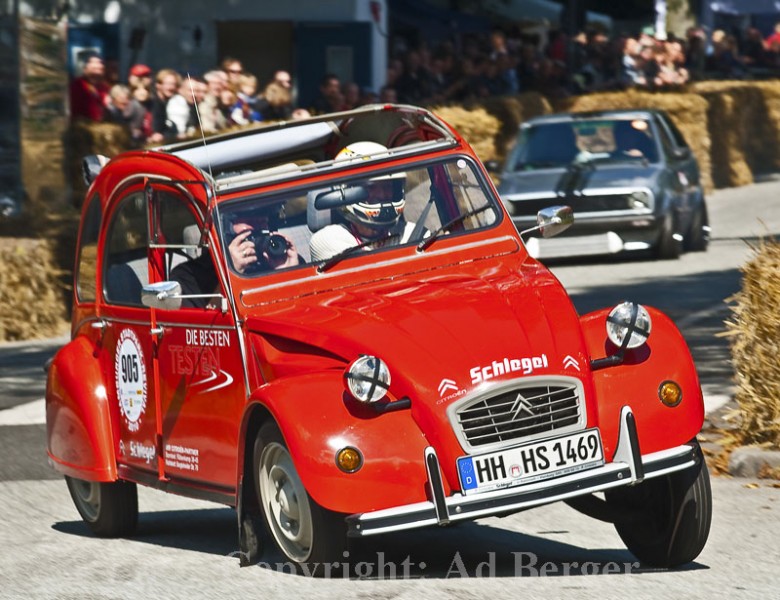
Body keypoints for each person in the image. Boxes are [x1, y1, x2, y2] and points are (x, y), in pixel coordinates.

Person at [309, 142, 416, 263]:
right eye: (371, 188)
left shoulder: (414, 233)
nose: (382, 195)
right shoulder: (327, 240)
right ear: (346, 191)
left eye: (388, 187)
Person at [69, 53, 109, 122]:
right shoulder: (78, 85)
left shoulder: (105, 87)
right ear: (85, 69)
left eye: (100, 64)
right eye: (94, 67)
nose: (98, 66)